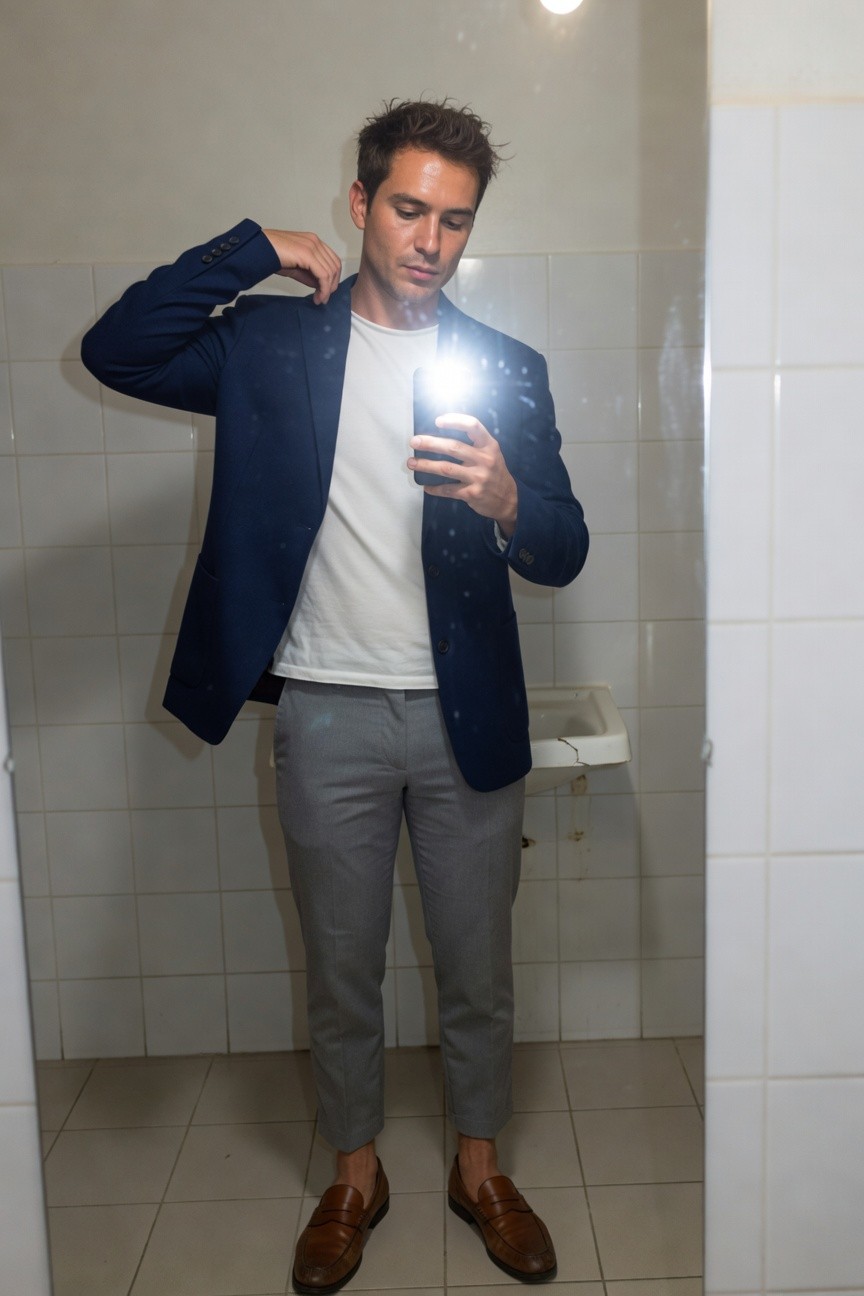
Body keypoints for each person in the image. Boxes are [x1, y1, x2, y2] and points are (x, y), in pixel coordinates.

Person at [81, 98, 588, 1292]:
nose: (430, 240)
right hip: (325, 711)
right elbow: (118, 350)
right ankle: (356, 1176)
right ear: (359, 205)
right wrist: (250, 249)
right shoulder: (271, 344)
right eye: (408, 208)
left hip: (468, 720)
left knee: (476, 966)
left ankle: (479, 1168)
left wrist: (511, 498)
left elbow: (562, 548)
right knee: (342, 963)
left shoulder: (505, 369)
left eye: (455, 221)